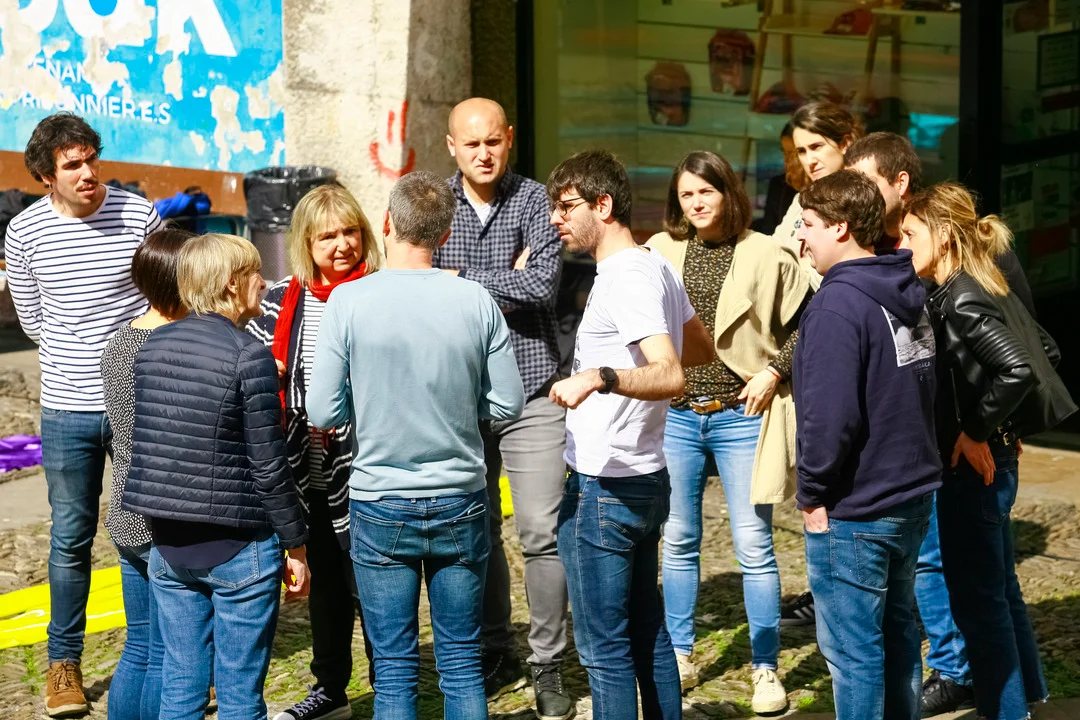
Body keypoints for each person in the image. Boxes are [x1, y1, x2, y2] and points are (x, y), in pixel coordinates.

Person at [308, 170, 525, 719]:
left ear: (386, 224)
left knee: (395, 667)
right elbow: (508, 405)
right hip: (460, 495)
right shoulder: (476, 300)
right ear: (446, 234)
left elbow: (323, 411)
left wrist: (369, 403)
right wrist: (460, 405)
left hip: (380, 498)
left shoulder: (348, 301)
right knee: (461, 661)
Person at [2, 112, 163, 716]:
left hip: (136, 400)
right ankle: (63, 665)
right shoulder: (24, 232)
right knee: (70, 537)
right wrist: (76, 359)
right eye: (73, 165)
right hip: (66, 408)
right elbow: (31, 318)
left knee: (142, 532)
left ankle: (163, 662)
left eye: (92, 158)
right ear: (47, 176)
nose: (88, 172)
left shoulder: (138, 214)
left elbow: (162, 295)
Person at [546, 149, 712, 720]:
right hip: (641, 478)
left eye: (566, 205)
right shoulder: (653, 264)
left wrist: (602, 376)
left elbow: (672, 372)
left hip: (606, 486)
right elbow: (700, 346)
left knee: (605, 650)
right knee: (647, 633)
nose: (556, 218)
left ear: (603, 204)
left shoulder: (626, 277)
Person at [900, 183, 1075, 720]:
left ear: (943, 236)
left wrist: (979, 431)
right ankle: (1030, 698)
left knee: (979, 601)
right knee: (998, 591)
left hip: (973, 468)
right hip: (988, 460)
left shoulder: (962, 295)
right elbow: (1046, 350)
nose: (902, 245)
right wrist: (1003, 425)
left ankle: (1007, 711)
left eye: (910, 234)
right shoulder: (977, 284)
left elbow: (1020, 368)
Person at [646, 151, 810, 712]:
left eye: (706, 192)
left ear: (728, 192)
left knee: (754, 544)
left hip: (741, 415)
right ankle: (680, 654)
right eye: (687, 194)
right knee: (678, 539)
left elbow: (809, 320)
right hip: (677, 415)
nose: (696, 203)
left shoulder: (765, 251)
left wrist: (773, 371)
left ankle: (766, 667)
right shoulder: (660, 250)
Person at [123, 233, 311, 719]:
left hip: (169, 543)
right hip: (238, 544)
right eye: (255, 273)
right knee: (240, 697)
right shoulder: (249, 355)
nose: (264, 283)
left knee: (180, 689)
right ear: (231, 284)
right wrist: (296, 546)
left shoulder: (152, 346)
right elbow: (269, 465)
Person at [435, 97, 571, 716]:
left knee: (541, 530)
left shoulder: (537, 200)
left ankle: (548, 662)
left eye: (493, 141)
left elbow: (542, 285)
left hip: (533, 385)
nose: (484, 154)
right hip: (458, 393)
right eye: (472, 144)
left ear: (509, 138)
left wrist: (464, 280)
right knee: (474, 530)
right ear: (452, 146)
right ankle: (493, 648)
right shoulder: (433, 204)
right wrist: (497, 279)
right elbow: (422, 286)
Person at [793, 170, 941, 720]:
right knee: (898, 635)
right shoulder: (906, 289)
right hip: (909, 496)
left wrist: (811, 493)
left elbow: (829, 418)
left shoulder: (837, 306)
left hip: (857, 508)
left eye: (807, 224)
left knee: (854, 654)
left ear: (841, 227)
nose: (800, 237)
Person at [248, 184, 381, 720]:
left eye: (350, 231)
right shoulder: (281, 299)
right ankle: (331, 689)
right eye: (327, 236)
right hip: (305, 470)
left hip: (368, 465)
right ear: (305, 242)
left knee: (373, 585)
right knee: (325, 584)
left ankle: (390, 686)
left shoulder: (381, 293)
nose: (342, 245)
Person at [99, 227, 193, 720]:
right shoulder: (173, 346)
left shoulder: (121, 340)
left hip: (126, 508)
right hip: (161, 516)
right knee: (164, 655)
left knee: (138, 646)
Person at [771, 101, 864, 292]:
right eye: (801, 151)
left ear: (845, 143)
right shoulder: (801, 200)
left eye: (816, 147)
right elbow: (772, 252)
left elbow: (833, 276)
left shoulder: (862, 200)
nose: (809, 160)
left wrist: (789, 266)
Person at [751, 122, 806, 235]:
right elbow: (769, 229)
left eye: (793, 153)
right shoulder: (779, 185)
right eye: (785, 153)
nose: (787, 160)